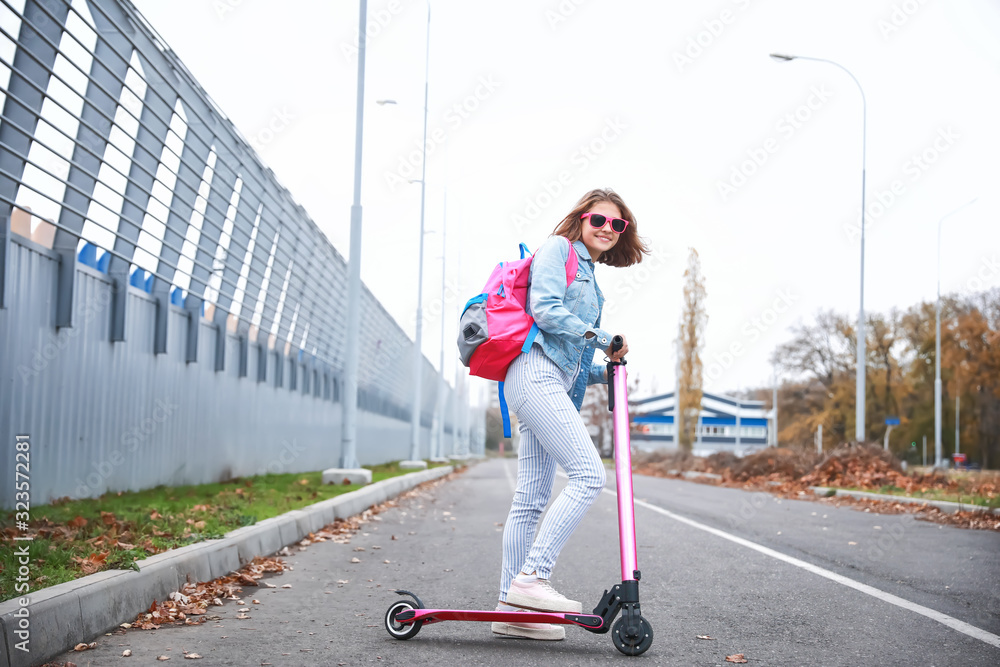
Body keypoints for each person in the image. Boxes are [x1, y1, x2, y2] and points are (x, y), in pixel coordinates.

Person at [492, 188, 648, 641]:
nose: (607, 229)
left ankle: (511, 608)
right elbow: (545, 311)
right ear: (582, 218)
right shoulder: (558, 249)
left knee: (530, 500)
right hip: (534, 374)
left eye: (617, 225)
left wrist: (607, 370)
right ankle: (530, 579)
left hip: (550, 379)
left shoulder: (592, 277)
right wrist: (603, 336)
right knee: (588, 475)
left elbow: (572, 354)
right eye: (599, 219)